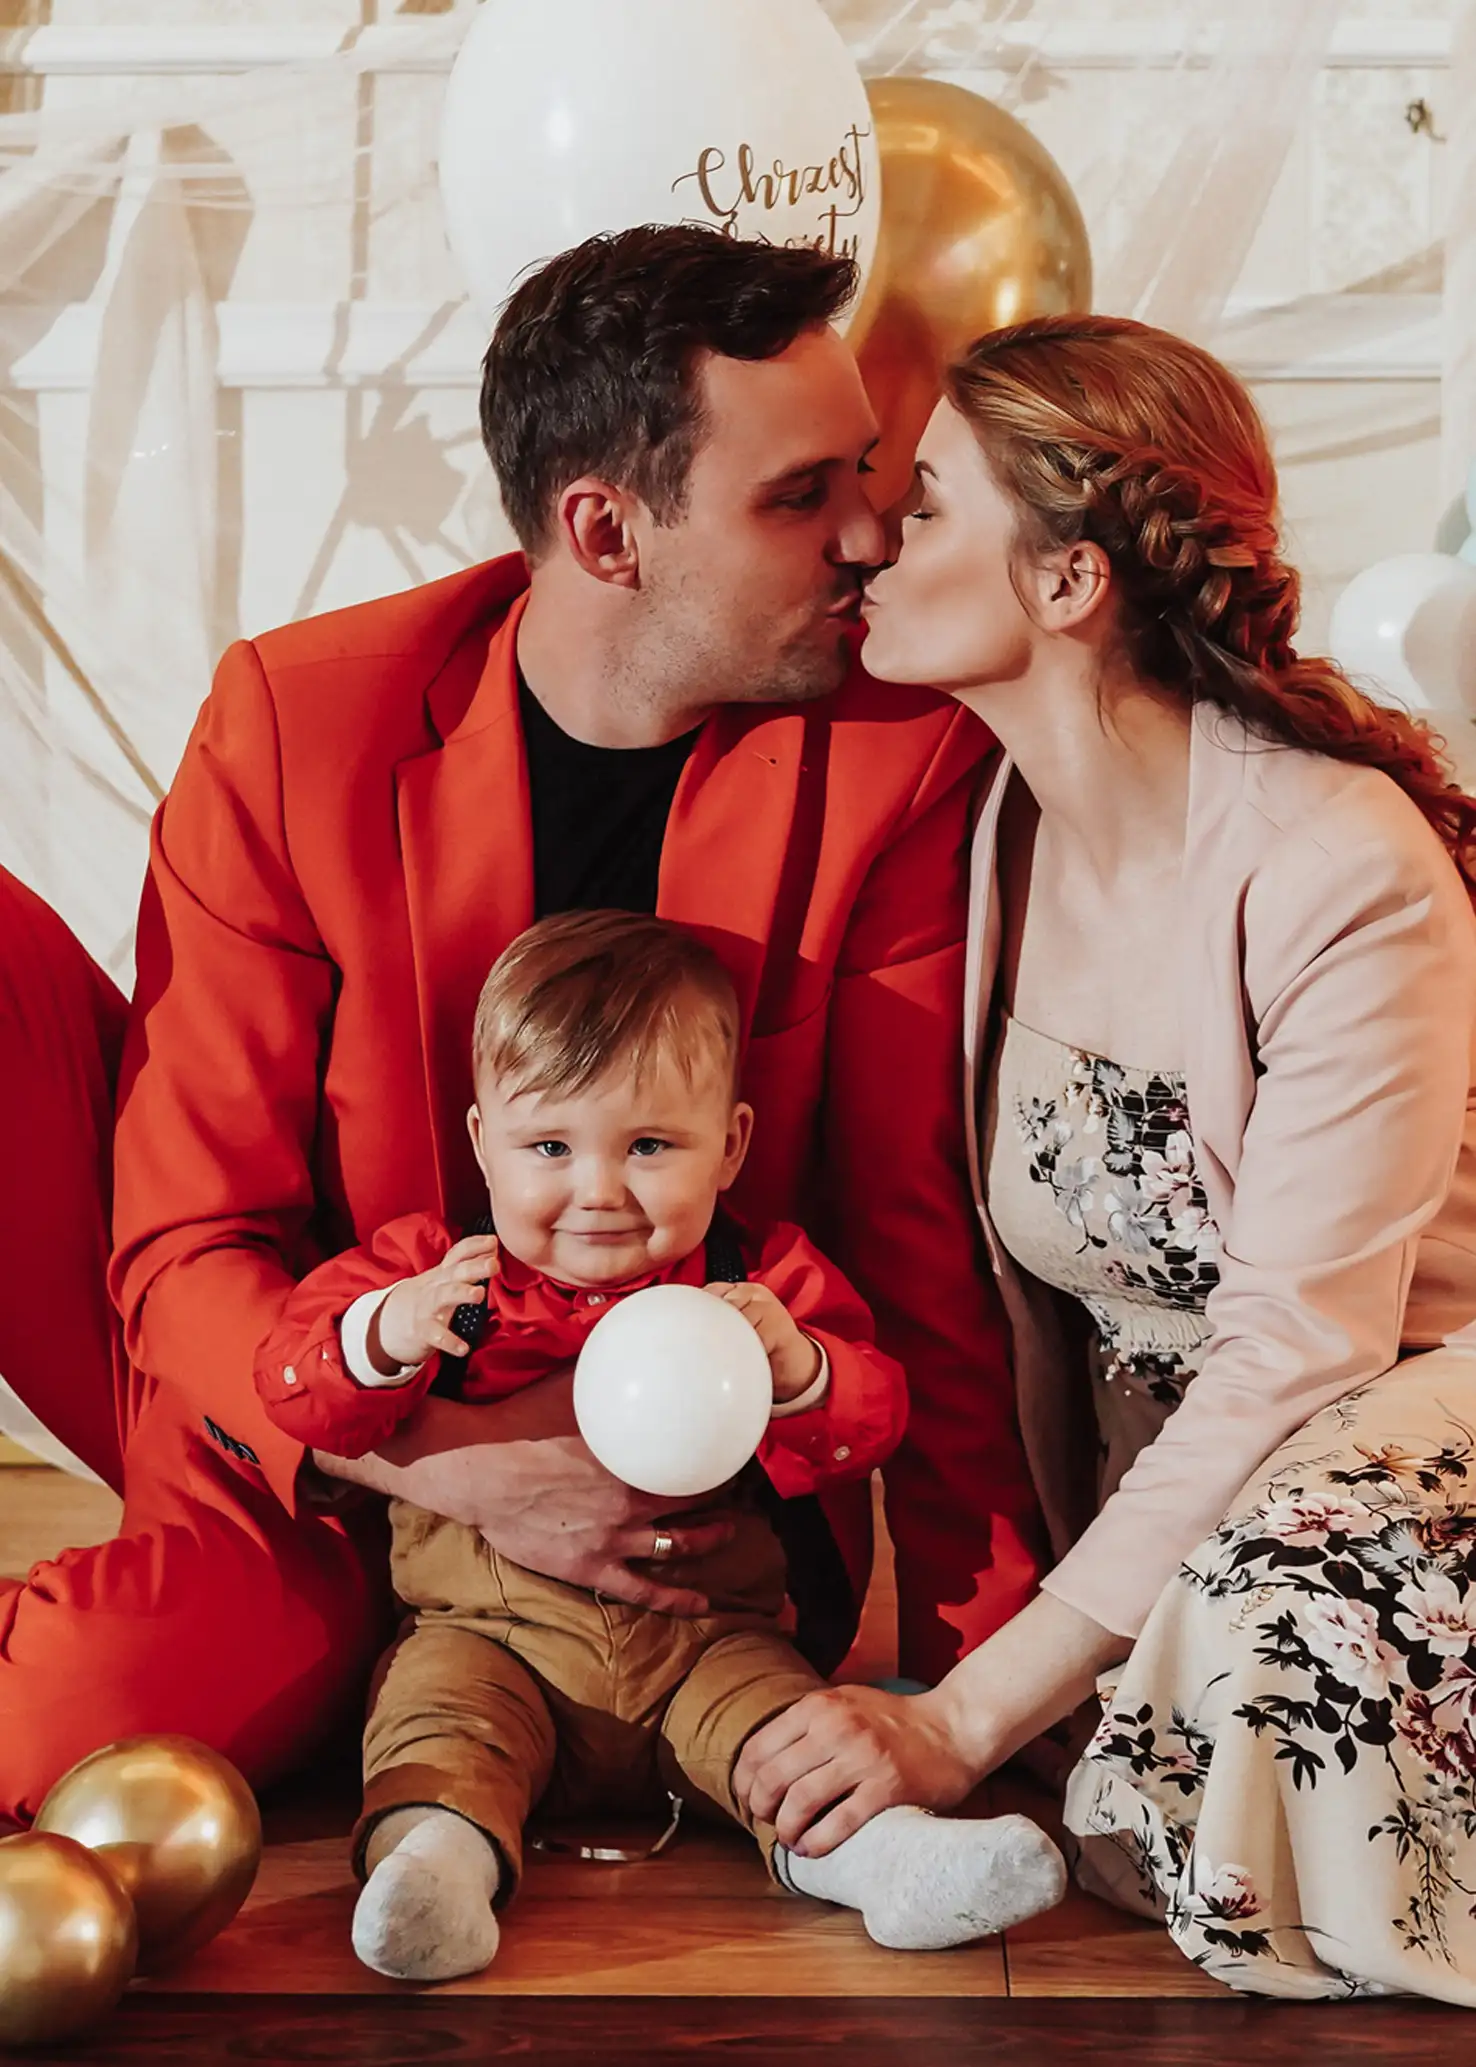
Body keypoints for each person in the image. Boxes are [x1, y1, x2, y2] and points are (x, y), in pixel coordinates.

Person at [0, 224, 1043, 1826]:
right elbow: (191, 1240)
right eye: (798, 496)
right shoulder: (301, 720)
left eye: (868, 475)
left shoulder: (898, 756)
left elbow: (920, 1252)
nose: (868, 539)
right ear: (606, 529)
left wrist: (995, 1704)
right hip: (327, 1420)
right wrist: (447, 1464)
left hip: (681, 1489)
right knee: (83, 1707)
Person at [734, 312, 1476, 2006]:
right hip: (1189, 1499)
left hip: (1394, 1443)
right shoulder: (1002, 821)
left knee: (1278, 1629)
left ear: (1070, 580)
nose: (873, 536)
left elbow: (1300, 1347)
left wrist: (958, 1715)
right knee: (1152, 1770)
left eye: (925, 500)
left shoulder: (1337, 866)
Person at [253, 909, 1062, 1980]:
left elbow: (874, 1424)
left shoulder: (761, 1284)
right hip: (492, 1640)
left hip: (708, 1645)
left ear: (730, 1145)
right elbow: (291, 1386)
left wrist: (797, 1368)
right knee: (437, 1727)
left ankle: (888, 1863)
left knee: (795, 1743)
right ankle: (437, 1870)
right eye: (550, 1147)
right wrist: (382, 1335)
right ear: (481, 1141)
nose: (597, 1190)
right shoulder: (437, 1274)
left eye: (648, 1146)